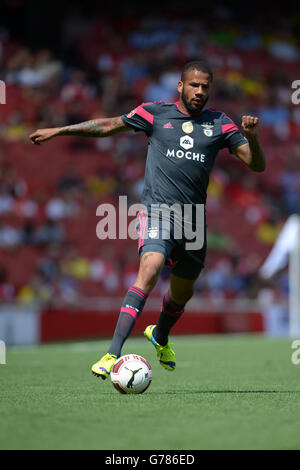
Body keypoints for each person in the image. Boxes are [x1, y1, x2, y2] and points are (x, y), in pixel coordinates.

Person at [29, 59, 266, 379]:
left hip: (193, 220)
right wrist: (60, 130)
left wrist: (251, 137)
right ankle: (112, 355)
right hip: (157, 212)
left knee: (183, 293)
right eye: (194, 85)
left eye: (205, 87)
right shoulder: (154, 113)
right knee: (149, 270)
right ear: (180, 86)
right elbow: (107, 126)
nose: (199, 91)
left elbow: (256, 166)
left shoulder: (221, 123)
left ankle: (161, 335)